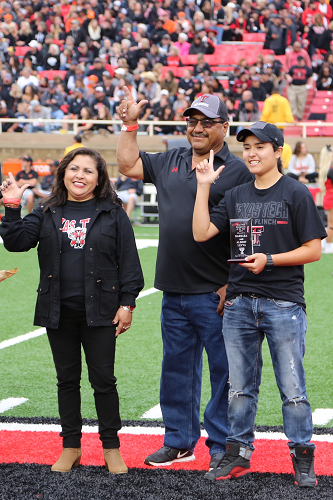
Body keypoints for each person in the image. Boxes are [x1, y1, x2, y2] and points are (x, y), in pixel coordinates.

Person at [116, 89, 252, 469]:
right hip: (173, 287)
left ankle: (224, 445)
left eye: (207, 122)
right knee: (176, 369)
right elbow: (127, 165)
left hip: (216, 291)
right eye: (192, 120)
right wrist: (130, 126)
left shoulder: (238, 169)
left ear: (224, 127)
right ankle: (179, 441)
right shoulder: (172, 157)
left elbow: (246, 230)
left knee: (226, 372)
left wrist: (233, 281)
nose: (197, 127)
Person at [192, 121, 326, 487]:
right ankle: (238, 455)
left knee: (292, 388)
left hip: (283, 303)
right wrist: (204, 188)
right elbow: (201, 232)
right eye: (247, 146)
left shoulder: (296, 193)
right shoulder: (235, 195)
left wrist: (270, 259)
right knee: (239, 387)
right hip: (238, 305)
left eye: (260, 146)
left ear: (278, 151)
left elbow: (314, 250)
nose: (251, 153)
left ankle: (302, 457)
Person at [0, 148, 144, 474]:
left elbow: (130, 264)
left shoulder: (112, 212)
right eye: (73, 168)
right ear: (63, 173)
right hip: (58, 310)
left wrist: (127, 304)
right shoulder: (47, 210)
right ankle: (71, 447)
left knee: (103, 380)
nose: (79, 175)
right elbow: (17, 243)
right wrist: (11, 206)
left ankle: (111, 448)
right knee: (66, 380)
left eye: (88, 171)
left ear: (98, 178)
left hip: (101, 310)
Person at [287, 56, 313, 121]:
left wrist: (310, 84)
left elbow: (311, 76)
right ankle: (292, 116)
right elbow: (288, 74)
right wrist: (289, 78)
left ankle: (299, 116)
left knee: (301, 102)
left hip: (302, 87)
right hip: (293, 87)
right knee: (292, 101)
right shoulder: (293, 67)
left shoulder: (307, 68)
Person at [318, 145, 333, 253]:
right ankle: (328, 245)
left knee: (330, 224)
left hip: (328, 197)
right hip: (331, 198)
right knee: (331, 225)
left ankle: (325, 243)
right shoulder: (330, 171)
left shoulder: (325, 170)